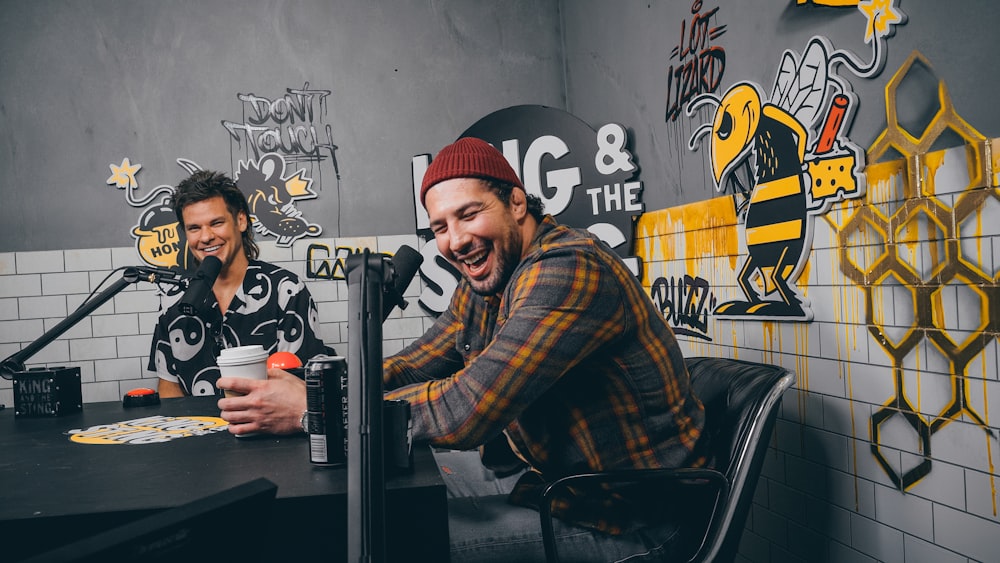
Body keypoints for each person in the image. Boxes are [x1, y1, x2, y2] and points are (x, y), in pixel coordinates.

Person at [219, 137, 707, 561]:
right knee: (393, 496)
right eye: (440, 227)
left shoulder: (567, 268)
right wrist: (315, 384)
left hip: (629, 522)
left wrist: (318, 411)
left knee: (402, 536)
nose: (456, 241)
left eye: (469, 214)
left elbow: (466, 406)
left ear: (517, 202)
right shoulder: (488, 282)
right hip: (540, 485)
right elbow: (414, 364)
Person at [147, 170, 327, 421]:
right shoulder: (174, 301)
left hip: (271, 440)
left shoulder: (285, 289)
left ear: (241, 221)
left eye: (216, 223)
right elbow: (169, 385)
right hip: (200, 447)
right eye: (194, 228)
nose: (206, 236)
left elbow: (302, 385)